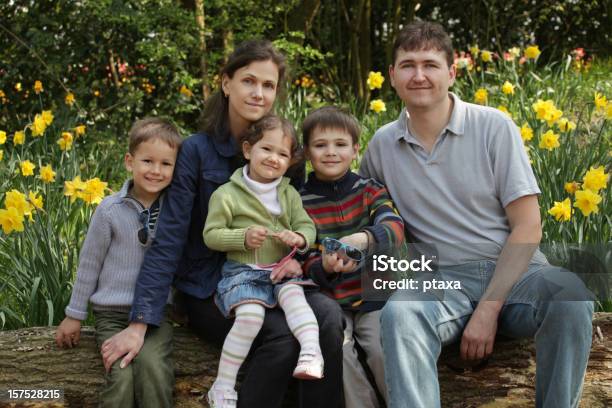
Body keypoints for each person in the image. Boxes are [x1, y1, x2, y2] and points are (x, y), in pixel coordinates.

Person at [360, 21, 594, 408]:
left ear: (451, 73)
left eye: (431, 65)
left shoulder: (493, 126)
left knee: (571, 296)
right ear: (392, 76)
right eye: (407, 65)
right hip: (440, 281)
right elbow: (371, 223)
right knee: (400, 314)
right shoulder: (382, 145)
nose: (419, 76)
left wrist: (488, 309)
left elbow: (528, 226)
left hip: (518, 274)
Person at [99, 40, 344, 408]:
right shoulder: (195, 151)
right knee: (282, 337)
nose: (258, 93)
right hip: (209, 285)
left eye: (268, 85)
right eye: (249, 81)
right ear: (226, 83)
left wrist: (298, 257)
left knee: (328, 317)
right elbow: (169, 238)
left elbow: (297, 223)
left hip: (272, 274)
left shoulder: (284, 154)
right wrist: (140, 322)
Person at [55, 118, 182, 408]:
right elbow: (90, 263)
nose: (156, 170)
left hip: (155, 316)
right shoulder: (110, 210)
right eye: (147, 161)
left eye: (166, 164)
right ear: (129, 161)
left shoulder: (175, 212)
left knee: (153, 369)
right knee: (121, 375)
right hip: (111, 314)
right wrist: (75, 314)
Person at [204, 114, 322, 407]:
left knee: (297, 301)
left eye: (282, 154)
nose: (273, 158)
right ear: (248, 150)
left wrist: (300, 239)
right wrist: (241, 238)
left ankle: (311, 352)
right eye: (266, 149)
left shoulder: (289, 194)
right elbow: (211, 234)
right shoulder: (227, 194)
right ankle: (223, 386)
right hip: (243, 272)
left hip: (281, 271)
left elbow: (307, 226)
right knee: (251, 317)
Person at [300, 106, 405, 408]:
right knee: (340, 353)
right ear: (307, 152)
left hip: (375, 296)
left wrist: (367, 238)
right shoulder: (300, 200)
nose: (331, 152)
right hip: (333, 298)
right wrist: (323, 266)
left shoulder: (370, 191)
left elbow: (394, 227)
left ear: (356, 149)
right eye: (320, 145)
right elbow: (301, 253)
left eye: (340, 144)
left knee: (380, 347)